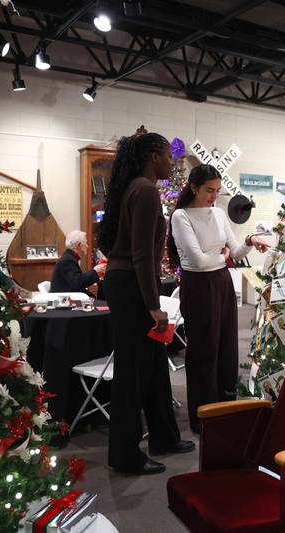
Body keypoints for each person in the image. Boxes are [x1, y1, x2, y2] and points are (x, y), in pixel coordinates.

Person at [100, 132, 194, 476]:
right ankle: (125, 455)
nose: (174, 162)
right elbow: (140, 253)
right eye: (169, 156)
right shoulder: (146, 190)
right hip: (132, 287)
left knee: (154, 365)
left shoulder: (135, 188)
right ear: (154, 156)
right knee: (133, 372)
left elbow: (118, 246)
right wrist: (154, 306)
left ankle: (164, 437)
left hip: (128, 282)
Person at [167, 165, 270, 433]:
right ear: (193, 187)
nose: (214, 196)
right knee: (203, 352)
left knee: (226, 348)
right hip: (199, 286)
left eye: (217, 191)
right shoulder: (180, 216)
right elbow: (199, 262)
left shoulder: (219, 213)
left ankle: (225, 410)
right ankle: (203, 417)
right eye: (209, 190)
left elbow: (235, 250)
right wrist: (222, 257)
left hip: (221, 283)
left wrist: (249, 240)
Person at [49, 230, 106, 294]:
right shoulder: (67, 260)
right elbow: (78, 283)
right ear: (78, 245)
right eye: (85, 243)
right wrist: (95, 271)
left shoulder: (69, 257)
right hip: (67, 300)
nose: (87, 246)